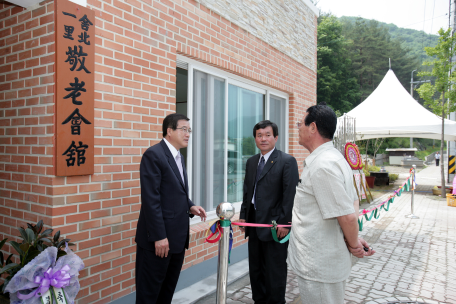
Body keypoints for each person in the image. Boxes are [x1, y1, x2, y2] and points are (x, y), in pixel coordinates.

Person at [288, 103, 375, 304]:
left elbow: (347, 216)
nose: (297, 127)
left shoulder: (323, 166)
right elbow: (352, 202)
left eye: (300, 123)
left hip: (319, 266)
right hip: (323, 261)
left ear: (313, 127)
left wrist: (354, 245)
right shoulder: (334, 158)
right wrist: (352, 238)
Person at [135, 113, 207, 304]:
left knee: (166, 293)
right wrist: (159, 236)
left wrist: (190, 206)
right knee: (149, 295)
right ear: (169, 131)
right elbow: (151, 200)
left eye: (189, 130)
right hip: (158, 242)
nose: (188, 134)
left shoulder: (178, 157)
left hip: (176, 239)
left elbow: (174, 193)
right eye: (184, 129)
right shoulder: (154, 155)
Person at [239, 120, 299, 304]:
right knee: (256, 270)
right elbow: (248, 191)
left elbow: (290, 195)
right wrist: (243, 216)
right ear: (255, 138)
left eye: (267, 135)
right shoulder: (251, 162)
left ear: (276, 137)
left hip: (275, 227)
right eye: (259, 135)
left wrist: (285, 223)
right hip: (254, 224)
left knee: (274, 272)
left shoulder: (287, 161)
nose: (263, 139)